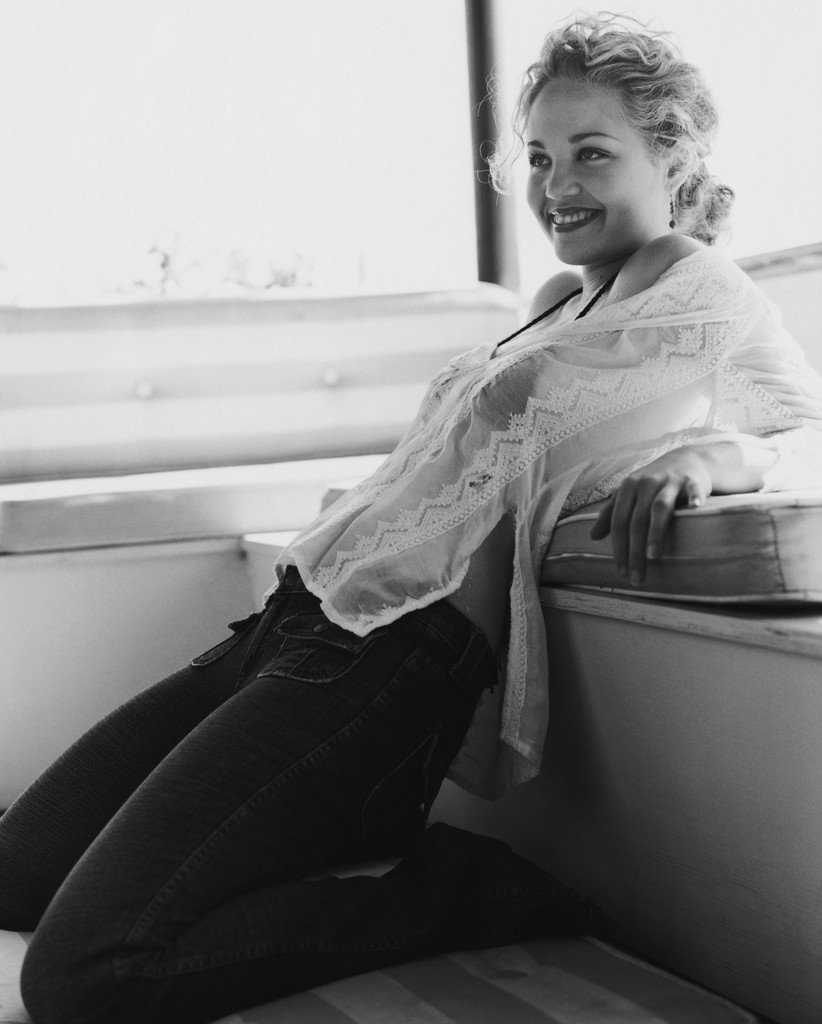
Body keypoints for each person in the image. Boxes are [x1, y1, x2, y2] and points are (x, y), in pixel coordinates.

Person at [3, 12, 821, 1024]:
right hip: (291, 626)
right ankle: (304, 838)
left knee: (83, 975)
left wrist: (716, 454)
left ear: (674, 158)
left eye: (591, 153)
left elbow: (801, 421)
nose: (556, 184)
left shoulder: (701, 287)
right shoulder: (556, 296)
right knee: (15, 869)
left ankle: (462, 891)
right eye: (539, 157)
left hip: (387, 665)